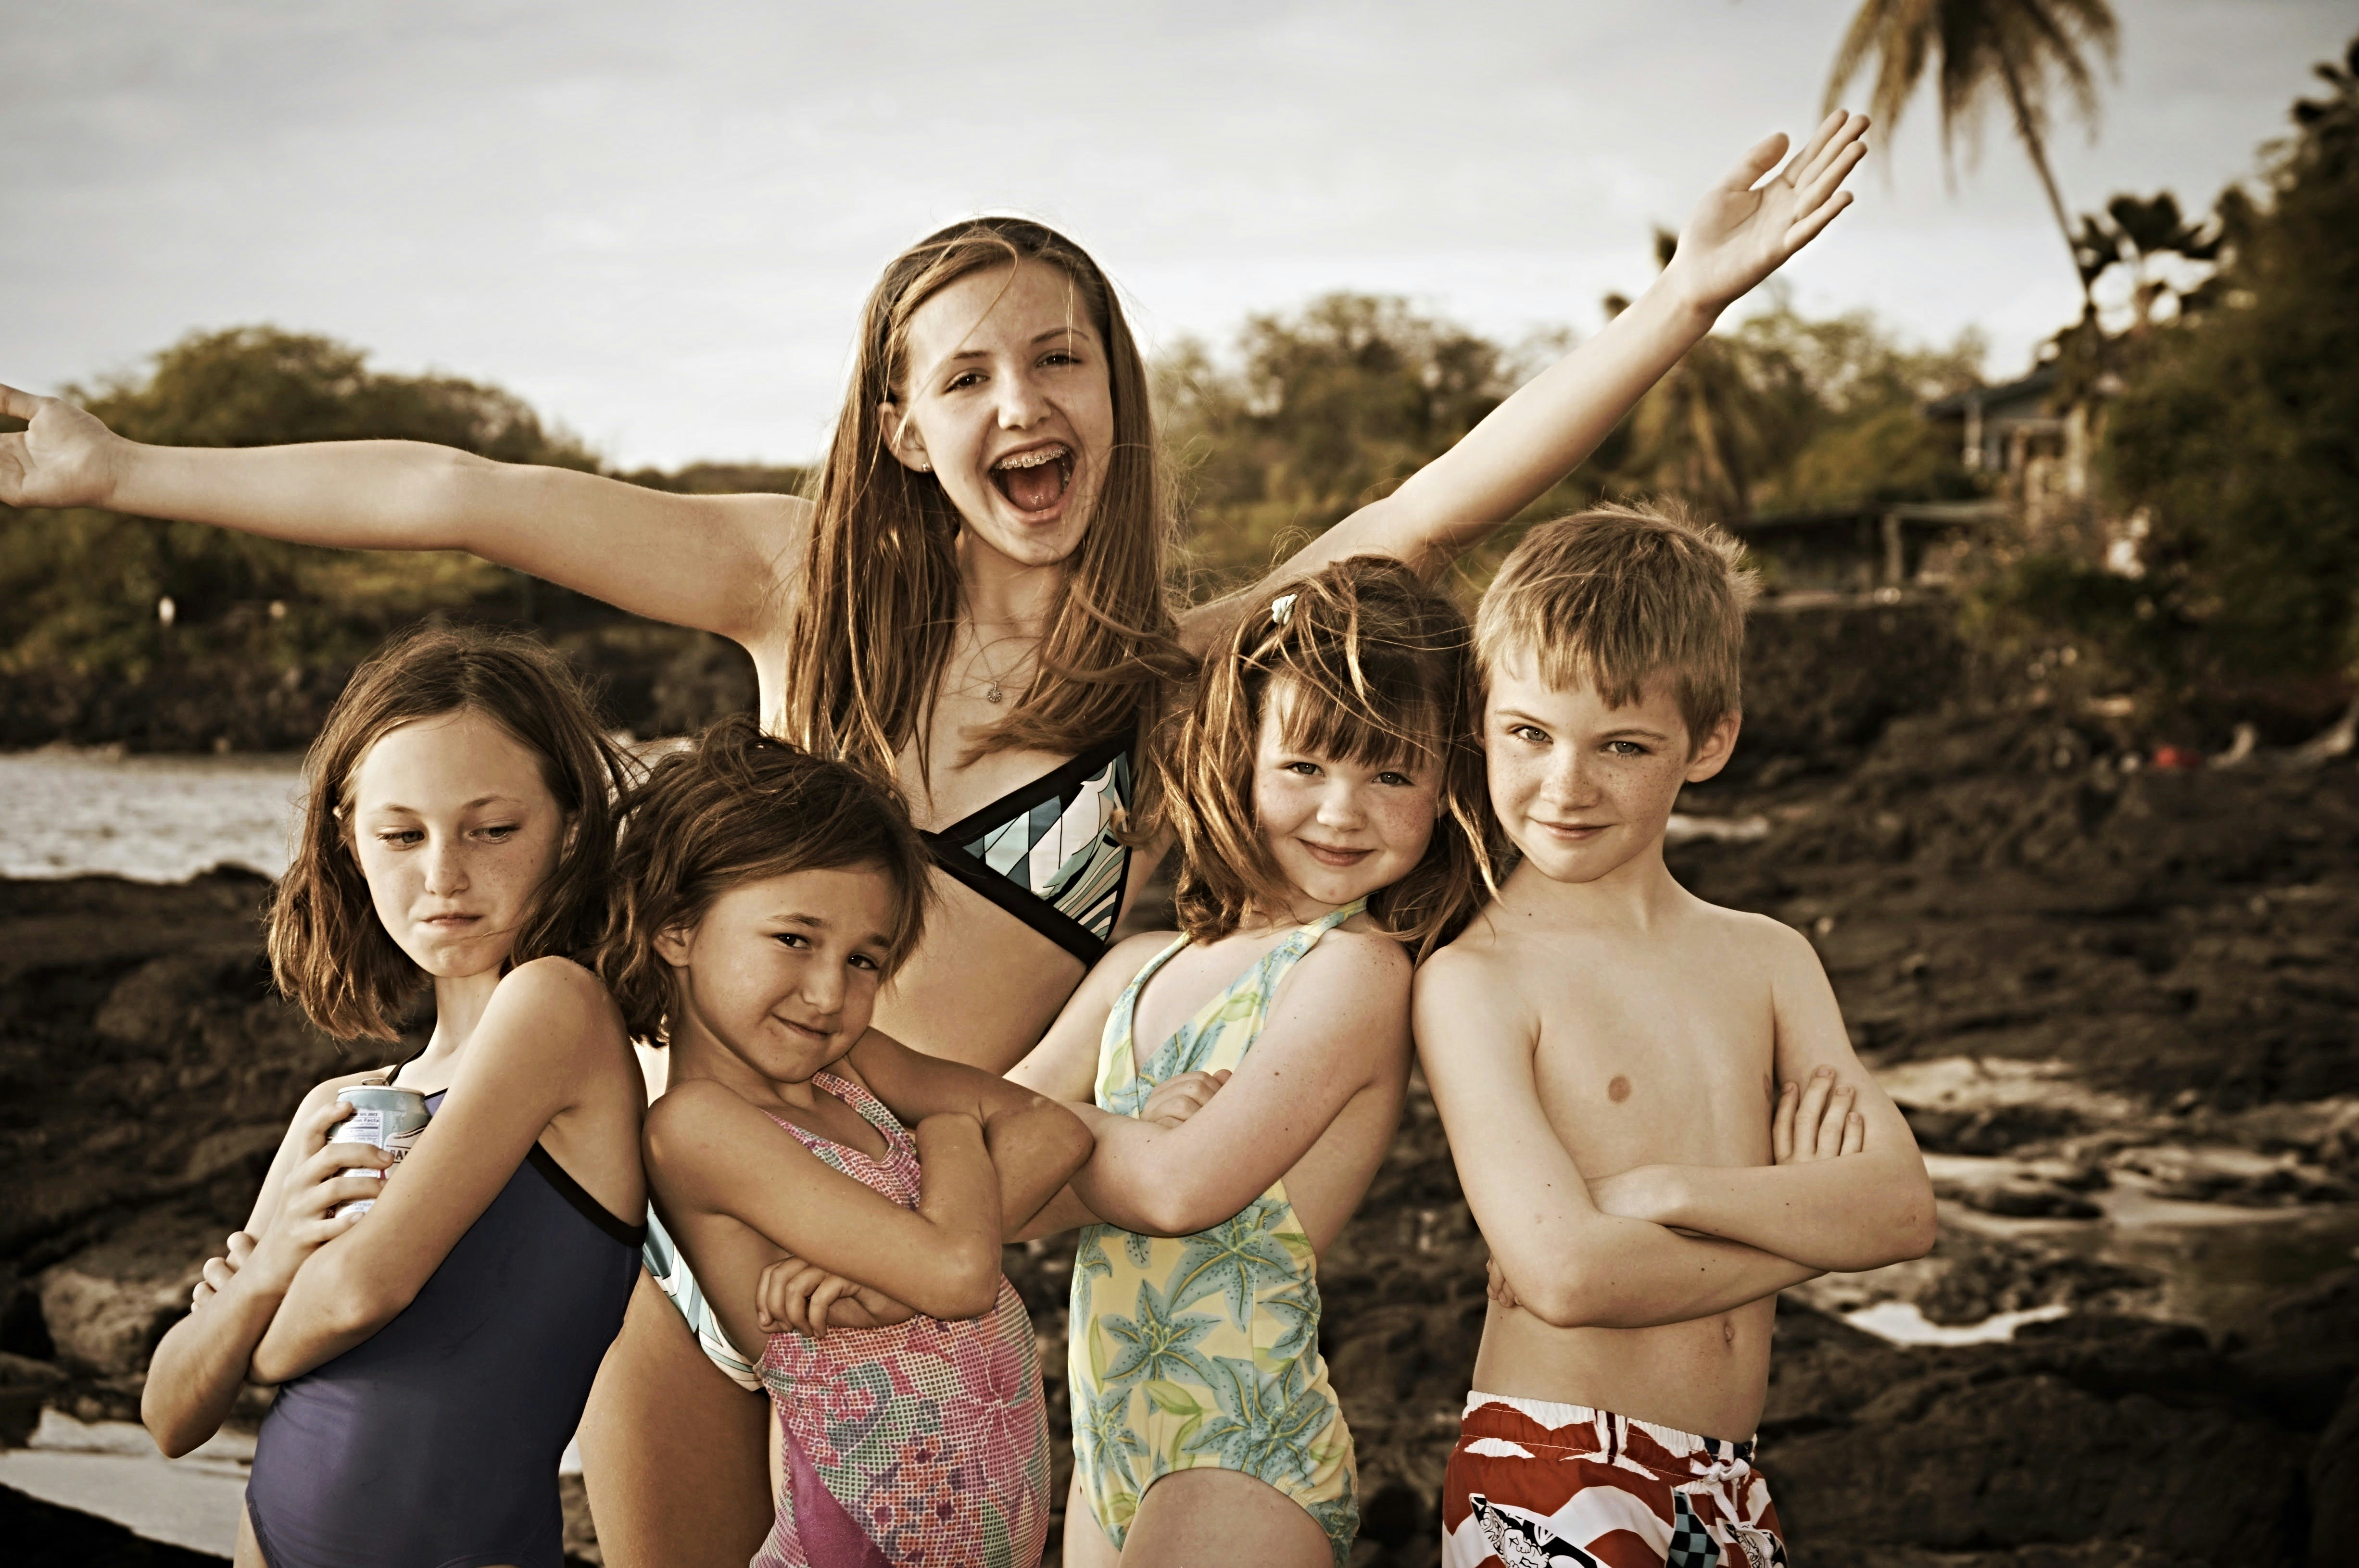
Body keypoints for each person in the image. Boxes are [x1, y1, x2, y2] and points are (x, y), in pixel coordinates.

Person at [3, 112, 1869, 1562]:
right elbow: (460, 494)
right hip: (672, 1228)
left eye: (1056, 360)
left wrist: (1680, 298)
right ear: (897, 423)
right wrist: (119, 467)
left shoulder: (1156, 679)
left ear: (1109, 395)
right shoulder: (783, 580)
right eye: (963, 374)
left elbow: (1417, 509)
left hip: (909, 1266)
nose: (1017, 403)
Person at [1412, 504, 1938, 1568]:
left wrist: (1667, 1192)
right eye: (1527, 733)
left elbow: (1897, 1210)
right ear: (1480, 720)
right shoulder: (1474, 979)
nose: (1564, 785)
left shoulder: (1768, 957)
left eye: (1621, 745)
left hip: (1731, 1477)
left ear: (1708, 743)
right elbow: (1564, 1274)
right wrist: (1806, 1227)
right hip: (1552, 1463)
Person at [1007, 556, 1489, 1566]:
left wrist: (1074, 1152)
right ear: (1239, 753)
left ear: (1447, 787)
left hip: (1243, 1445)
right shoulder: (1135, 969)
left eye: (1391, 772)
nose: (1341, 811)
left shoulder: (1352, 973)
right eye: (1306, 764)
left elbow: (1183, 1187)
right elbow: (977, 1170)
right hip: (1102, 1447)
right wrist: (1109, 1145)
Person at [139, 625, 647, 1568]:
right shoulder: (342, 1102)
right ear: (348, 837)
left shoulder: (556, 1010)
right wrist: (265, 1275)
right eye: (402, 833)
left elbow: (362, 1289)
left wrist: (254, 1324)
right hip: (269, 1537)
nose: (444, 874)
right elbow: (170, 1413)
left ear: (570, 824)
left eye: (493, 829)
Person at [594, 717, 1092, 1568]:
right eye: (794, 939)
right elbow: (963, 1274)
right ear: (675, 927)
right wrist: (950, 1135)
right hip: (864, 1537)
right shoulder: (698, 1127)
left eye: (865, 959)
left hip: (975, 1527)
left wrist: (890, 1277)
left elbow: (1056, 1129)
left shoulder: (855, 1066)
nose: (830, 993)